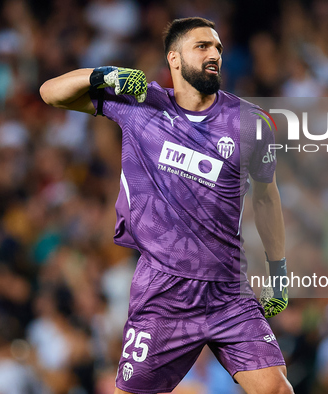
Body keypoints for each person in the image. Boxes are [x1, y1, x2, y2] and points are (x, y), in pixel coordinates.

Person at [40, 17, 292, 394]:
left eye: (218, 48)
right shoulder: (140, 105)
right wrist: (102, 75)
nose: (214, 55)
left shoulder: (250, 122)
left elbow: (267, 197)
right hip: (164, 293)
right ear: (174, 58)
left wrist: (278, 268)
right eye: (202, 46)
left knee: (275, 389)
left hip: (228, 290)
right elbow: (50, 92)